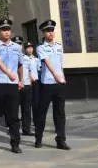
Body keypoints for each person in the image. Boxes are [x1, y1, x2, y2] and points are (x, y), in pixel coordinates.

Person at [0, 19, 23, 153]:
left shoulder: (17, 47)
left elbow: (20, 65)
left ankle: (15, 143)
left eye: (8, 29)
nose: (6, 32)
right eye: (3, 30)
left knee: (13, 116)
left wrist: (20, 80)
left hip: (13, 85)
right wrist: (9, 73)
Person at [34, 20, 70, 150]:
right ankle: (38, 138)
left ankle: (61, 140)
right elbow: (47, 62)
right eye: (48, 31)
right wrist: (55, 75)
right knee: (41, 112)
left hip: (59, 84)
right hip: (47, 84)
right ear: (43, 33)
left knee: (60, 113)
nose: (50, 33)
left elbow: (60, 64)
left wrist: (62, 77)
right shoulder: (40, 47)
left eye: (52, 30)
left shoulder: (59, 46)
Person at [20, 42, 38, 136]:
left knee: (27, 109)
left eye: (20, 44)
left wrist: (31, 82)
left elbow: (30, 71)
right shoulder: (12, 58)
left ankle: (26, 129)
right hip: (16, 85)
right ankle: (12, 128)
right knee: (14, 109)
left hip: (27, 85)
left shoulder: (28, 59)